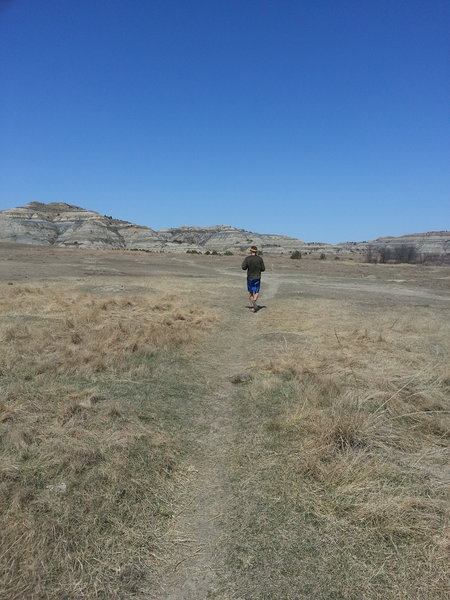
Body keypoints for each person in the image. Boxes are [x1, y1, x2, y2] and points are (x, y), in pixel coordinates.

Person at [242, 246, 265, 312]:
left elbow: (243, 267)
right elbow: (263, 269)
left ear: (250, 251)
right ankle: (254, 302)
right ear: (256, 251)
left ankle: (253, 304)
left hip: (250, 278)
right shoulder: (260, 259)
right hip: (257, 278)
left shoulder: (247, 258)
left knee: (251, 293)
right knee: (257, 291)